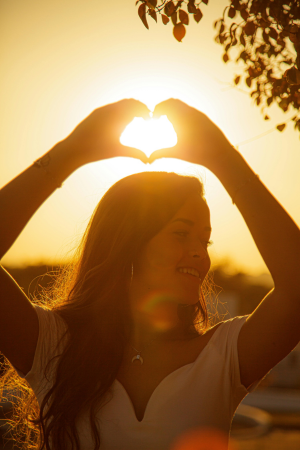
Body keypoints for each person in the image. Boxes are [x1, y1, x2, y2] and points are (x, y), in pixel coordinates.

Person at [0, 98, 299, 450]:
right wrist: (70, 153)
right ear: (129, 241)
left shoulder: (222, 357)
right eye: (181, 233)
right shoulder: (53, 346)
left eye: (205, 239)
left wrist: (223, 158)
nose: (199, 253)